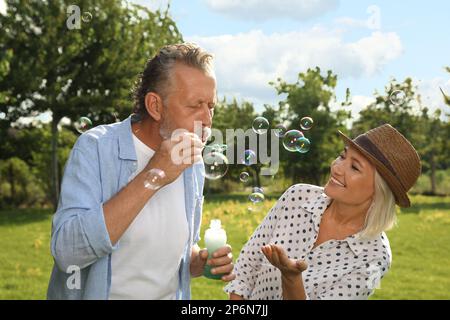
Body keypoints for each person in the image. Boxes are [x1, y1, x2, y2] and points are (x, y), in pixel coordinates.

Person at [47, 43, 235, 300]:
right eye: (195, 105)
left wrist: (198, 262)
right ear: (155, 106)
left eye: (211, 106)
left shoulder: (193, 164)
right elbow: (68, 252)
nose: (207, 119)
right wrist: (154, 174)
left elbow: (167, 255)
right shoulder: (96, 148)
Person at [224, 124, 421, 300]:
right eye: (342, 156)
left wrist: (292, 278)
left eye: (354, 167)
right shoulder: (297, 196)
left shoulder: (375, 257)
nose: (336, 167)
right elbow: (246, 265)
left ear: (378, 191)